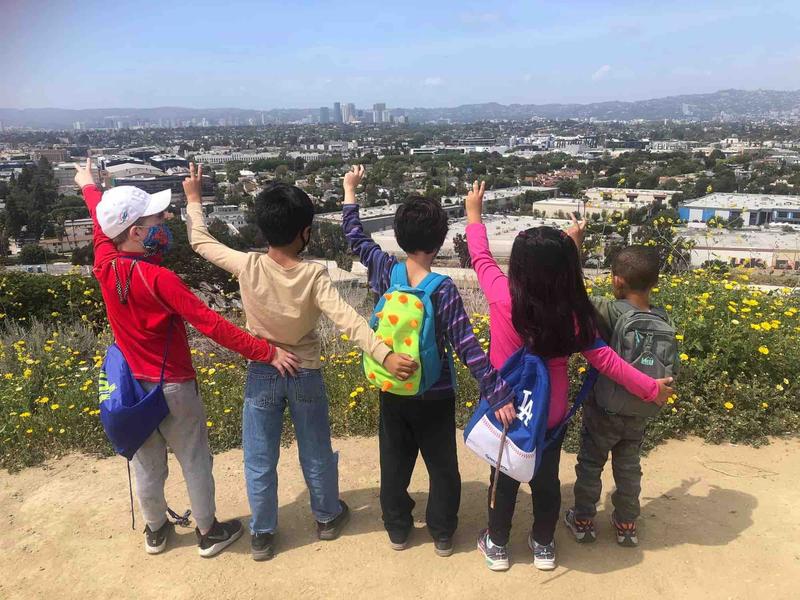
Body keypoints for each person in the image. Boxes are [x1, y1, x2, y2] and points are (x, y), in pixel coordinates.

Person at [183, 165, 417, 561]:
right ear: (304, 232)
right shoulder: (313, 275)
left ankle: (262, 533)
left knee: (259, 458)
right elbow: (347, 320)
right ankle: (326, 516)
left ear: (264, 229)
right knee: (316, 450)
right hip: (305, 371)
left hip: (263, 370)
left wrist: (193, 199)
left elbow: (200, 242)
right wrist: (385, 355)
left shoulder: (247, 265)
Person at [74, 159, 298, 558]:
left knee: (147, 463)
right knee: (193, 458)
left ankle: (156, 530)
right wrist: (267, 352)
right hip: (173, 385)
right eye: (155, 218)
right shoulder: (160, 279)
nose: (164, 221)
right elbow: (212, 325)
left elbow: (99, 220)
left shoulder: (105, 263)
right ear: (136, 232)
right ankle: (208, 531)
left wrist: (89, 186)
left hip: (132, 387)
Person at [463, 181, 674, 572]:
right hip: (551, 410)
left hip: (507, 406)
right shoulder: (574, 313)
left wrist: (474, 212)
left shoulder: (502, 296)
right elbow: (606, 360)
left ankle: (497, 545)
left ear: (518, 267)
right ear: (565, 270)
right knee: (545, 480)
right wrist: (650, 388)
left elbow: (480, 256)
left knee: (504, 478)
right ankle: (543, 545)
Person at [341, 166, 516, 558]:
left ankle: (398, 529)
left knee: (394, 463)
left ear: (400, 236)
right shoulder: (443, 289)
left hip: (392, 385)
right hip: (435, 392)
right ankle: (442, 532)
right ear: (439, 242)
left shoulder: (384, 270)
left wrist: (350, 190)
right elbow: (468, 348)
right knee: (442, 466)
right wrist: (498, 393)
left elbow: (354, 236)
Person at [565, 245, 674, 548]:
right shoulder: (662, 317)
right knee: (629, 467)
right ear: (654, 283)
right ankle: (626, 523)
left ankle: (584, 520)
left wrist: (574, 247)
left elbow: (573, 295)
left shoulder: (609, 309)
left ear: (617, 281)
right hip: (640, 409)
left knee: (591, 464)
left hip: (604, 409)